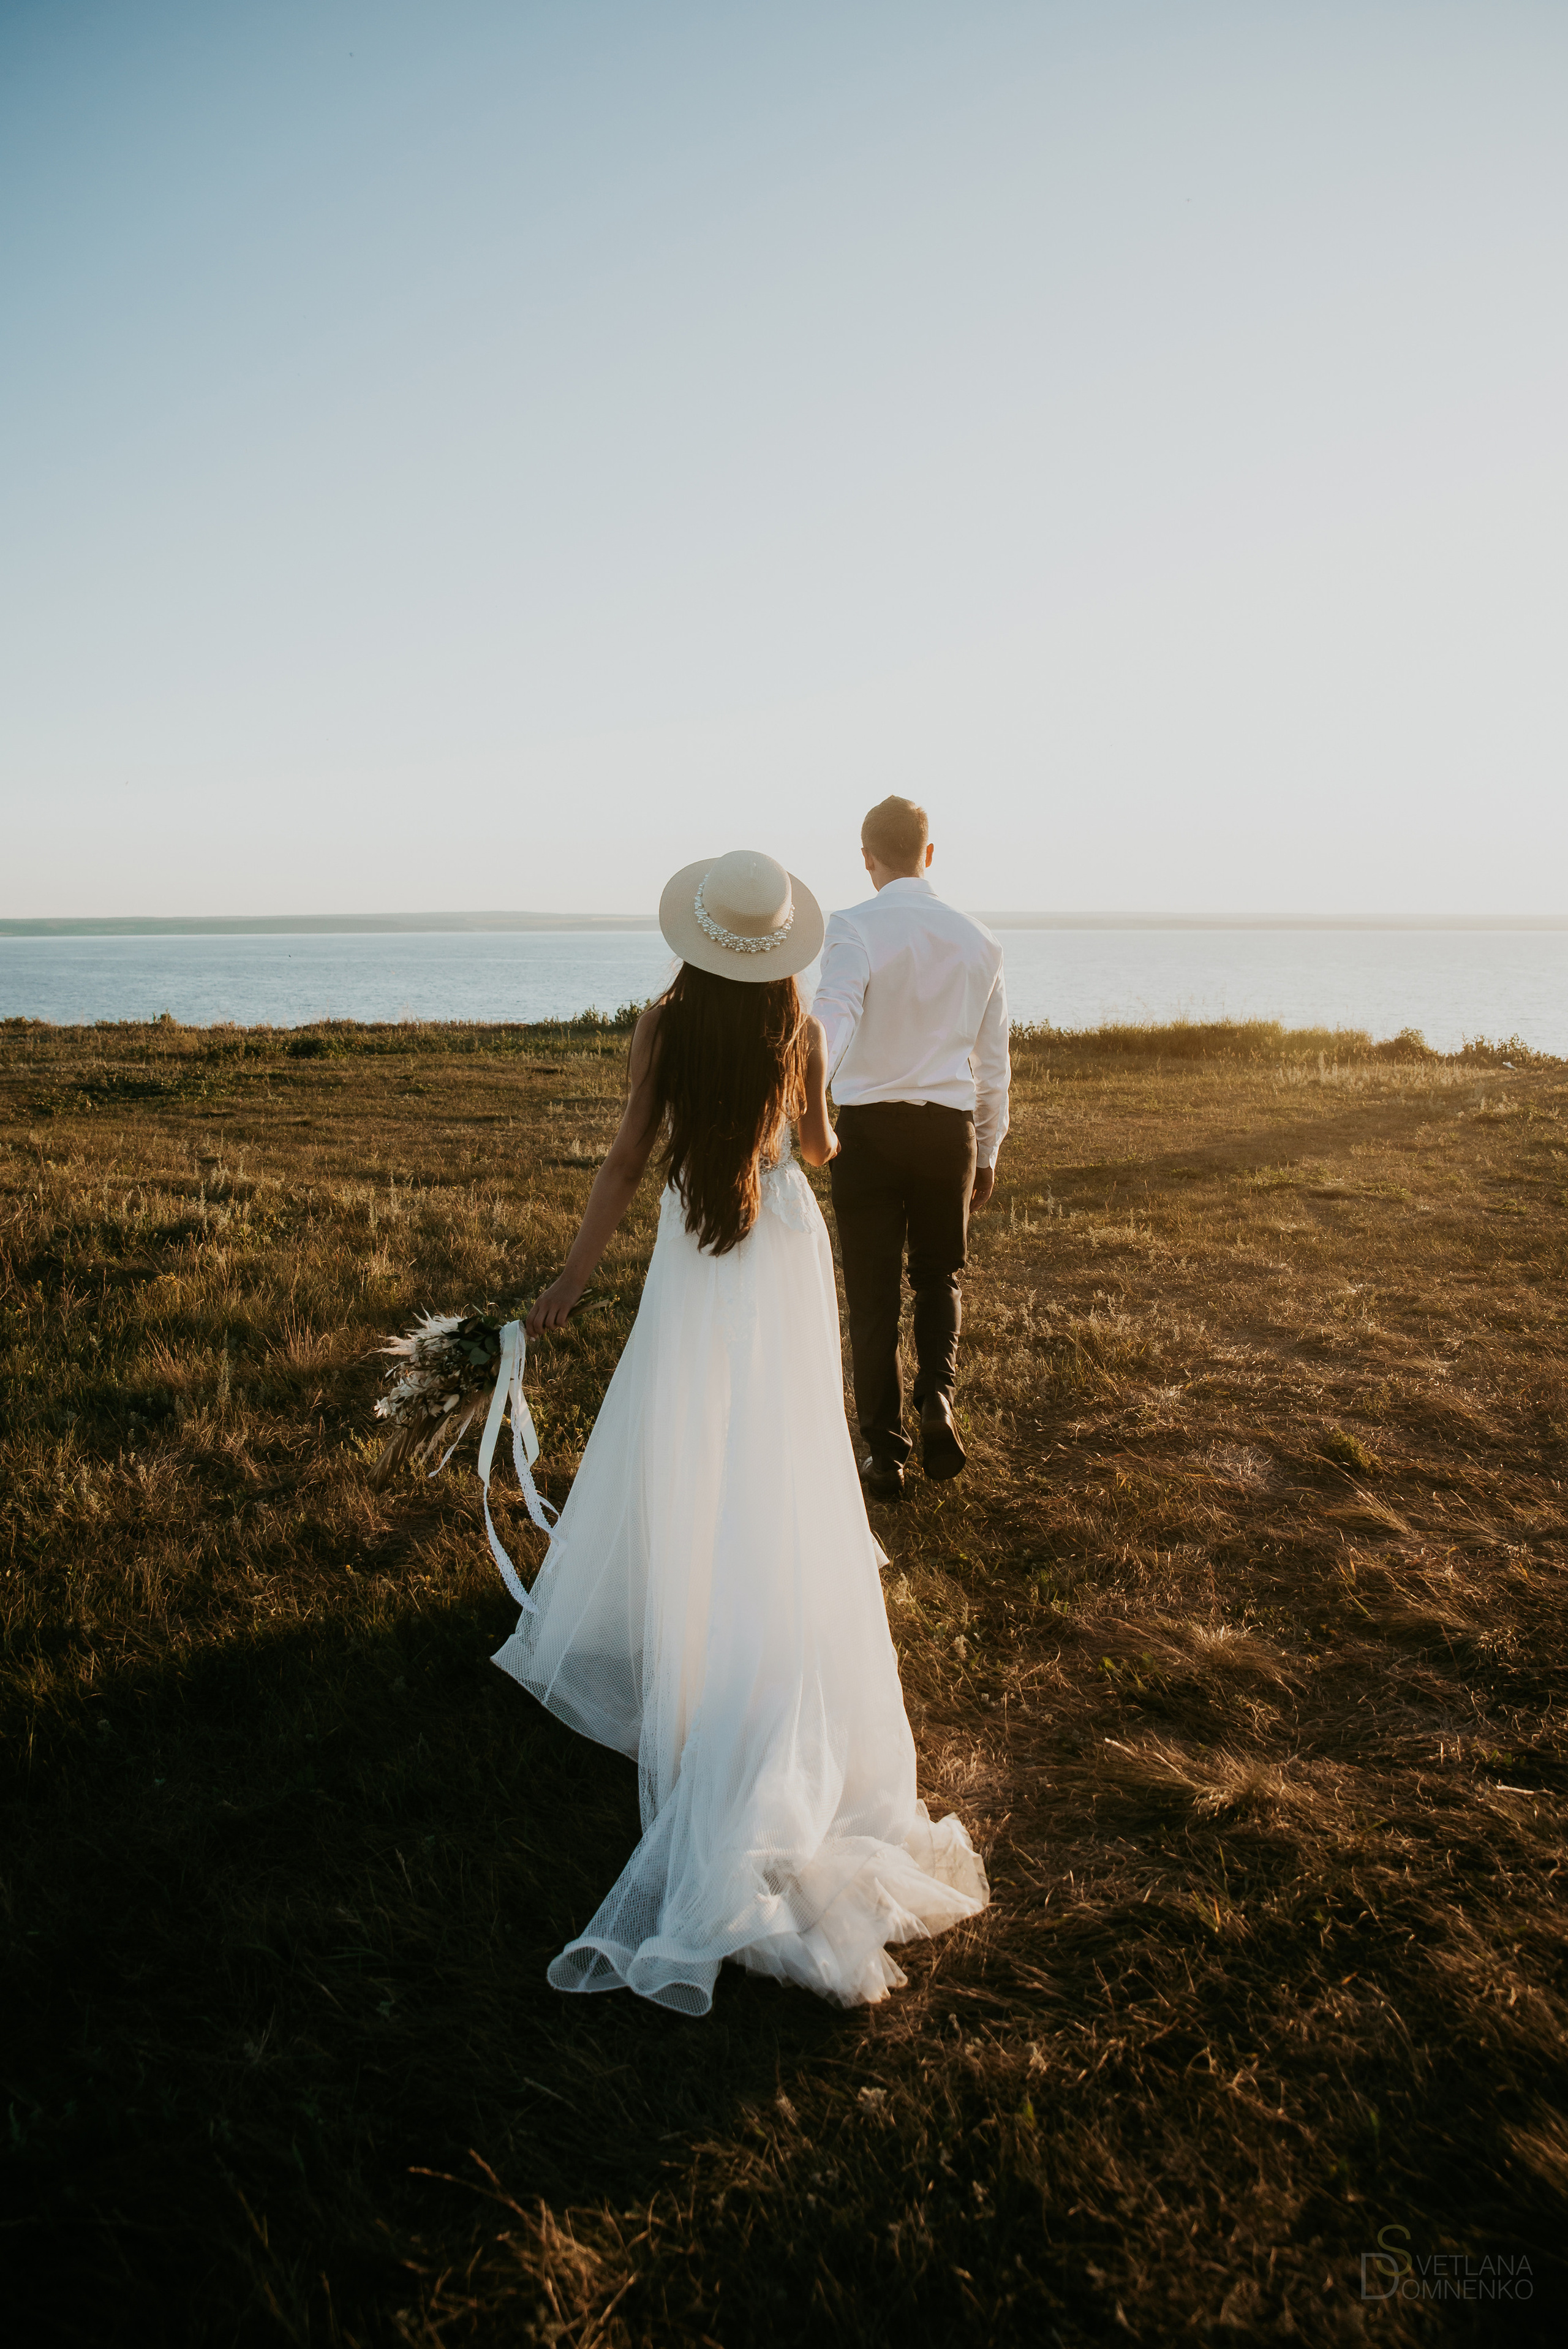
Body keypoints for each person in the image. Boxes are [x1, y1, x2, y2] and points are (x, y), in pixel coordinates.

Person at [492, 849, 988, 2014]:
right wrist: (811, 1121)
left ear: (700, 935)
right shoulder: (799, 1027)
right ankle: (758, 1587)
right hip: (780, 1242)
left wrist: (570, 1281)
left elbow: (627, 1159)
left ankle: (685, 1597)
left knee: (686, 1417)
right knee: (781, 1432)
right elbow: (816, 1147)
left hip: (699, 1244)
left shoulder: (661, 1025)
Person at [814, 796, 1010, 1504]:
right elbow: (993, 1064)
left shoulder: (853, 926)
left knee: (872, 1298)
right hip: (946, 1132)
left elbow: (833, 1016)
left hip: (866, 1132)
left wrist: (805, 1097)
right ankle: (936, 1395)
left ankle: (885, 1455)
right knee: (938, 1276)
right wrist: (986, 1151)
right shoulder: (980, 940)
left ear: (866, 857)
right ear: (929, 854)